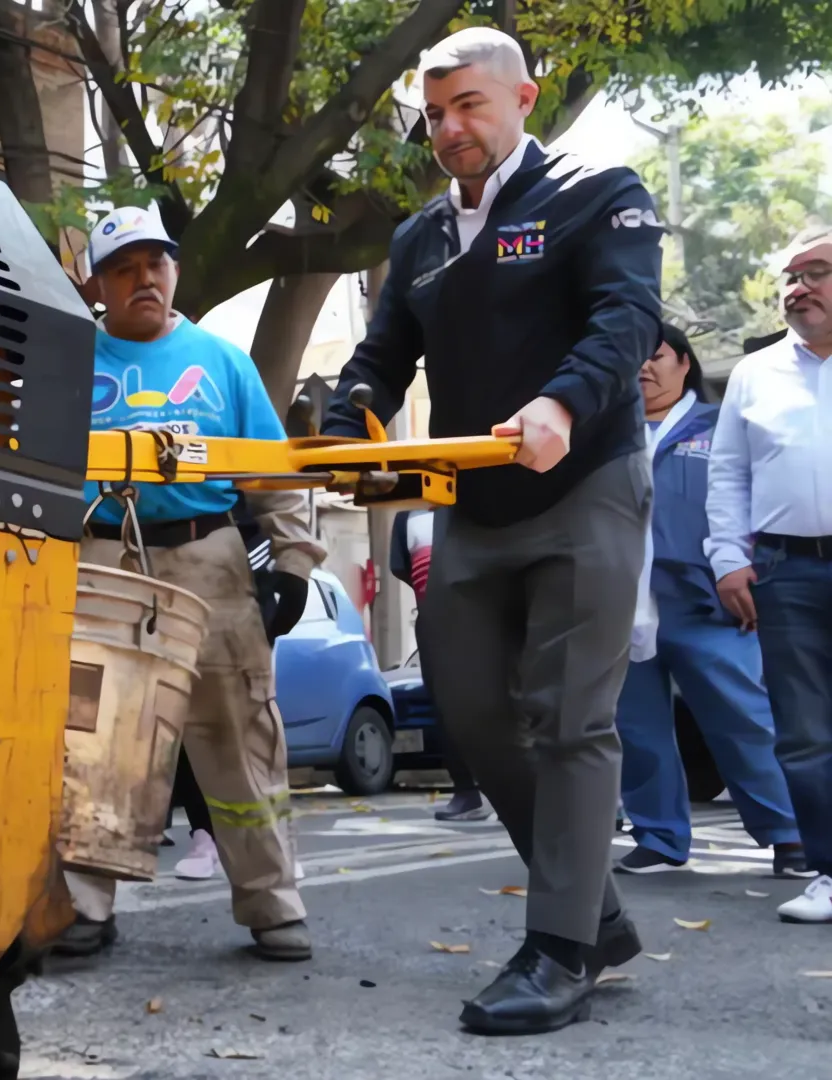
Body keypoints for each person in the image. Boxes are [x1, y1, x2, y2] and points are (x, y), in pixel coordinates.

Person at [322, 27, 660, 1032]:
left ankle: (560, 950)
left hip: (585, 479)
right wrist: (348, 421)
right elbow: (384, 354)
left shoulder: (599, 193)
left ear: (525, 96)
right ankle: (593, 913)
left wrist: (562, 403)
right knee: (469, 708)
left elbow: (625, 319)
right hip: (472, 497)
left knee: (569, 718)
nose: (450, 128)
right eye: (434, 113)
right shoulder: (420, 237)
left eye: (469, 103)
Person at [57, 204, 325, 962]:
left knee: (239, 733)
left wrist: (295, 564)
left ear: (173, 271)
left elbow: (271, 472)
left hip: (207, 557)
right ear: (98, 285)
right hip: (102, 557)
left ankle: (273, 904)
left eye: (156, 263)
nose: (145, 279)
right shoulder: (67, 363)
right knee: (92, 736)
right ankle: (84, 905)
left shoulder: (222, 362)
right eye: (124, 268)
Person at [613, 322, 803, 876]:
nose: (644, 368)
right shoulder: (604, 435)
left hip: (704, 602)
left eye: (658, 356)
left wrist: (754, 573)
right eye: (633, 358)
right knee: (636, 728)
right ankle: (658, 836)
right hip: (621, 603)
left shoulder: (722, 425)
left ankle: (790, 836)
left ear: (685, 364)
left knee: (745, 720)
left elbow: (757, 501)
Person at [706, 225, 832, 924]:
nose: (798, 287)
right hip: (788, 571)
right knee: (806, 733)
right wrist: (728, 558)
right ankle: (829, 870)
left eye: (816, 272)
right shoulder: (756, 374)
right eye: (790, 275)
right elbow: (727, 475)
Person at [388, 508, 489, 822]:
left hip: (483, 617)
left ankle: (512, 790)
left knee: (497, 702)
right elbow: (399, 566)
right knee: (446, 707)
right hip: (434, 621)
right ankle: (466, 792)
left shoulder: (471, 502)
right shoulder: (407, 518)